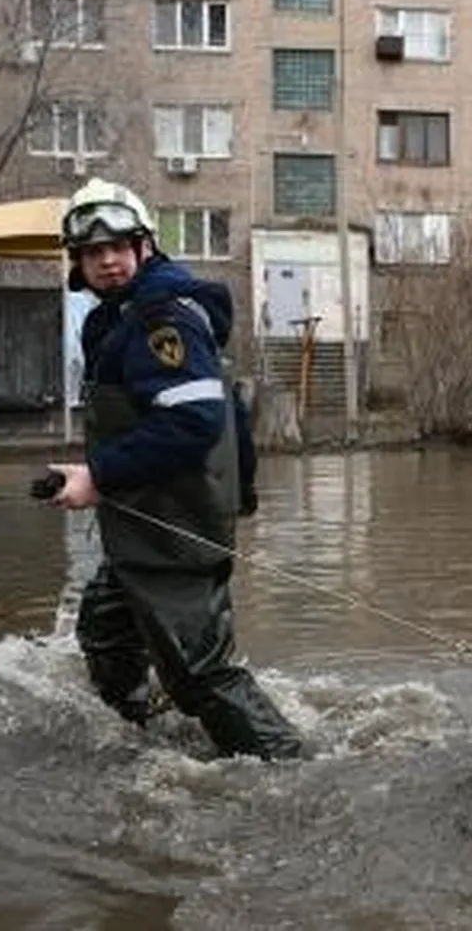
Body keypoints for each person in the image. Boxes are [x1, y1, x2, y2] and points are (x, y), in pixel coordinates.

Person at [41, 177, 305, 762]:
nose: (106, 260)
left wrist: (99, 477)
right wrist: (91, 469)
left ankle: (295, 772)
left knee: (201, 675)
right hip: (147, 517)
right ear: (77, 262)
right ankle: (142, 740)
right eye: (91, 251)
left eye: (118, 247)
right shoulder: (115, 316)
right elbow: (147, 414)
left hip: (178, 523)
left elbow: (193, 422)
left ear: (144, 248)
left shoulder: (162, 315)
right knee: (107, 627)